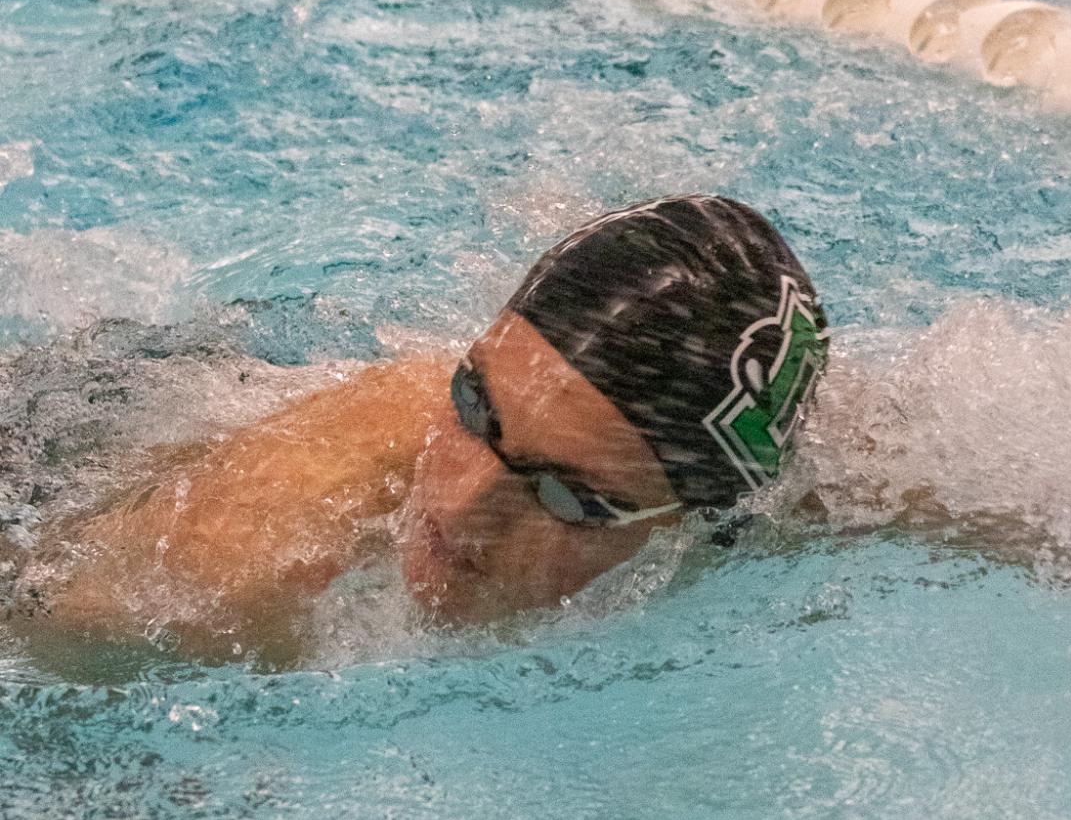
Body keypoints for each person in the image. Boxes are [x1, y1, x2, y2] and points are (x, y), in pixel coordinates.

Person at [10, 195, 830, 663]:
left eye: (564, 495)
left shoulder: (773, 500)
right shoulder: (220, 586)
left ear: (699, 525)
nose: (467, 502)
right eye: (473, 407)